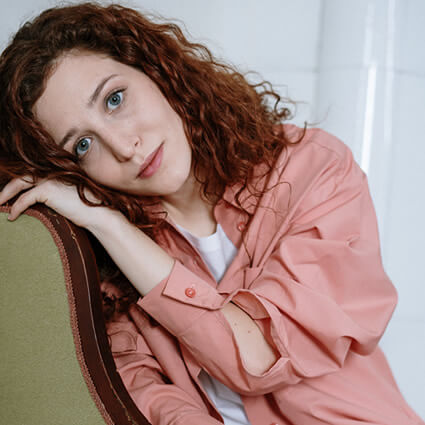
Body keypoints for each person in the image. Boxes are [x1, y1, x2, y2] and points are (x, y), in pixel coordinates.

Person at [0, 3, 423, 425]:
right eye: (83, 146)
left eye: (114, 99)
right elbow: (149, 401)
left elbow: (260, 357)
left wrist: (113, 227)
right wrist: (108, 228)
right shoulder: (103, 267)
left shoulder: (314, 171)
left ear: (155, 69)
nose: (125, 146)